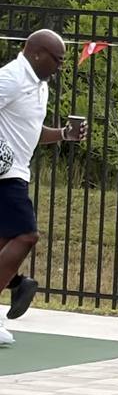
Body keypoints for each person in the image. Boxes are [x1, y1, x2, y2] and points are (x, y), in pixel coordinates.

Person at [0, 28, 87, 345]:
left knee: (5, 241)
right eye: (57, 59)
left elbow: (31, 130)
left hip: (18, 173)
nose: (60, 66)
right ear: (36, 53)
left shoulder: (40, 86)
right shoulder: (11, 78)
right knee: (27, 234)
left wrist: (64, 134)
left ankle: (11, 292)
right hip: (5, 174)